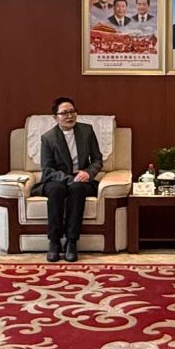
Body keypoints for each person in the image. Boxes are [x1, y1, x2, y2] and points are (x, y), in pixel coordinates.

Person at [36, 97, 104, 263]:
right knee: (56, 190)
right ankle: (54, 241)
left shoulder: (86, 131)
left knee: (78, 189)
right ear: (55, 117)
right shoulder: (48, 138)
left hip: (82, 178)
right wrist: (69, 179)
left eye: (72, 112)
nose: (69, 116)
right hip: (57, 178)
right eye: (64, 113)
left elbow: (97, 159)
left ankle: (71, 242)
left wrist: (88, 173)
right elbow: (47, 169)